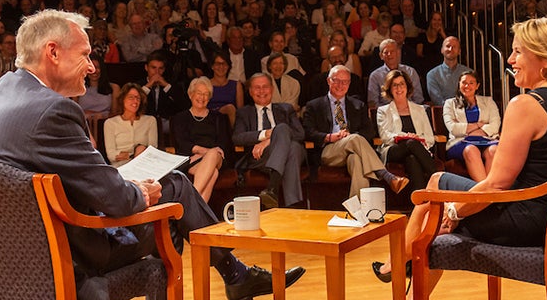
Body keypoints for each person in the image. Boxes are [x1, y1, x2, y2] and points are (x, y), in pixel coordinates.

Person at [0, 10, 305, 300]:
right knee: (173, 193)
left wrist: (120, 185)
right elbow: (120, 202)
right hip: (67, 260)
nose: (93, 67)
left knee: (167, 201)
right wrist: (137, 191)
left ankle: (216, 293)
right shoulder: (53, 111)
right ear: (53, 52)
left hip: (7, 264)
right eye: (84, 55)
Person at [372, 18, 547, 300]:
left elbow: (498, 186)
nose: (511, 60)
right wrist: (455, 209)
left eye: (517, 52)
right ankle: (403, 293)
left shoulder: (527, 104)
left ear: (543, 58)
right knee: (436, 197)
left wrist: (456, 212)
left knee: (434, 202)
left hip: (525, 219)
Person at [302, 64, 408, 197]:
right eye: (337, 80)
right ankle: (385, 175)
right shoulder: (314, 105)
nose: (341, 85)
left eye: (345, 82)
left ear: (349, 83)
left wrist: (349, 136)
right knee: (355, 139)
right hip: (328, 152)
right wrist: (330, 137)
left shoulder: (358, 105)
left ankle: (357, 210)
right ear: (329, 81)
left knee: (357, 160)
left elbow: (369, 131)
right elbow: (308, 131)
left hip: (354, 149)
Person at [232, 72, 307, 209]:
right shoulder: (244, 113)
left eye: (265, 87)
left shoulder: (286, 109)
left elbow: (300, 134)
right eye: (257, 87)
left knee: (284, 130)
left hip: (278, 152)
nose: (261, 91)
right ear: (250, 91)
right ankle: (294, 208)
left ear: (272, 89)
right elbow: (237, 137)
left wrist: (272, 138)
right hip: (260, 157)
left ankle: (273, 188)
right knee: (293, 150)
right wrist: (265, 134)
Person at [170, 77, 233, 202]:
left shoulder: (219, 118)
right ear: (191, 94)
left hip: (217, 158)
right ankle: (198, 217)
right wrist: (206, 152)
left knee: (214, 154)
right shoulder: (179, 118)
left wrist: (208, 154)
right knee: (212, 173)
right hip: (192, 159)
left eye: (206, 94)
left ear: (209, 97)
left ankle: (188, 201)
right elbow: (182, 144)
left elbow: (223, 145)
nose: (202, 97)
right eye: (199, 93)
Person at [376, 69, 436, 193]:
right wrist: (406, 136)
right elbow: (385, 136)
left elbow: (430, 138)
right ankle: (438, 177)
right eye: (395, 85)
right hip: (393, 149)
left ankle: (419, 204)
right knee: (411, 143)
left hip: (416, 150)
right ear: (389, 89)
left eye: (402, 84)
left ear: (407, 87)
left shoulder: (420, 109)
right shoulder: (383, 111)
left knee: (412, 159)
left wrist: (419, 143)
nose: (399, 88)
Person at [442, 70, 501, 181]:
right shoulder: (450, 103)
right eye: (464, 82)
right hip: (460, 142)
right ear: (459, 84)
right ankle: (485, 193)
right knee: (471, 150)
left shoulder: (488, 101)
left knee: (494, 150)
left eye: (471, 83)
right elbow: (453, 128)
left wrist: (471, 130)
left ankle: (490, 192)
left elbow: (495, 124)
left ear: (477, 86)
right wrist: (479, 125)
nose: (467, 86)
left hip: (487, 140)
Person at [103, 83, 158, 166]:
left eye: (138, 98)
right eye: (131, 97)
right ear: (123, 99)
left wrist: (136, 153)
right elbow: (111, 155)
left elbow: (152, 149)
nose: (135, 101)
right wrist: (134, 154)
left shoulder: (150, 120)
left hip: (144, 164)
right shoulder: (110, 123)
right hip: (120, 167)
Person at [368, 38, 424, 107]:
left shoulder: (410, 72)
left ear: (398, 53)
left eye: (392, 51)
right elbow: (373, 103)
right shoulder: (375, 76)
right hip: (386, 114)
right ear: (381, 56)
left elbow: (418, 99)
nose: (389, 54)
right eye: (386, 52)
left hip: (411, 111)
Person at [426, 36, 472, 106]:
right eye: (448, 46)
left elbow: (471, 97)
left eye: (454, 47)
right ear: (442, 50)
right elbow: (437, 100)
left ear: (459, 51)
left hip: (467, 111)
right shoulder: (432, 75)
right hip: (443, 114)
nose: (450, 49)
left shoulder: (469, 73)